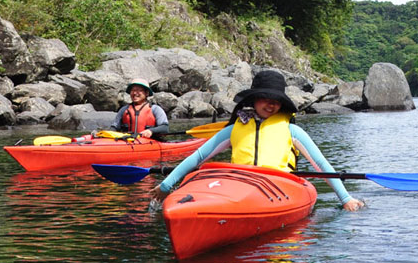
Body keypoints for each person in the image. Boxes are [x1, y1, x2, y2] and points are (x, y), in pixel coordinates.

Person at [151, 70, 365, 211]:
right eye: (265, 99)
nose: (271, 105)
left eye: (276, 102)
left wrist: (346, 199)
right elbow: (199, 156)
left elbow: (321, 166)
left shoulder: (292, 131)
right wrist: (167, 184)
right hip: (238, 185)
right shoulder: (235, 129)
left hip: (279, 186)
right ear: (254, 99)